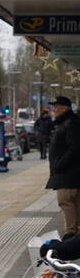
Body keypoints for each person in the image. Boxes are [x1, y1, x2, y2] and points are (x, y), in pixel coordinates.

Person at [46, 96, 80, 237]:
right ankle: (74, 233)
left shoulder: (70, 123)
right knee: (74, 203)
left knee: (66, 202)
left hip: (68, 174)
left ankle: (70, 234)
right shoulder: (66, 122)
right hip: (69, 173)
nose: (54, 109)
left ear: (66, 107)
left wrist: (59, 164)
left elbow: (75, 148)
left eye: (57, 106)